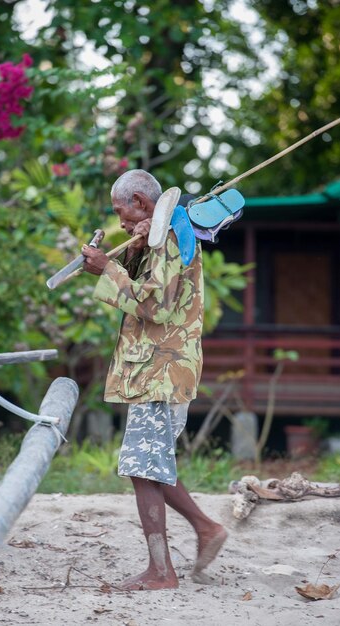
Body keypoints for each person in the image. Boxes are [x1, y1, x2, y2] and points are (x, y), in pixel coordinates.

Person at [81, 169, 227, 591]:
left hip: (162, 371)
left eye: (121, 212)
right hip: (157, 371)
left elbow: (156, 305)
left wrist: (107, 270)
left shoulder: (175, 236)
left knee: (144, 465)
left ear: (142, 202)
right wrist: (133, 250)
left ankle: (162, 570)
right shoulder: (160, 235)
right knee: (149, 463)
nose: (121, 222)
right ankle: (205, 529)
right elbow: (147, 284)